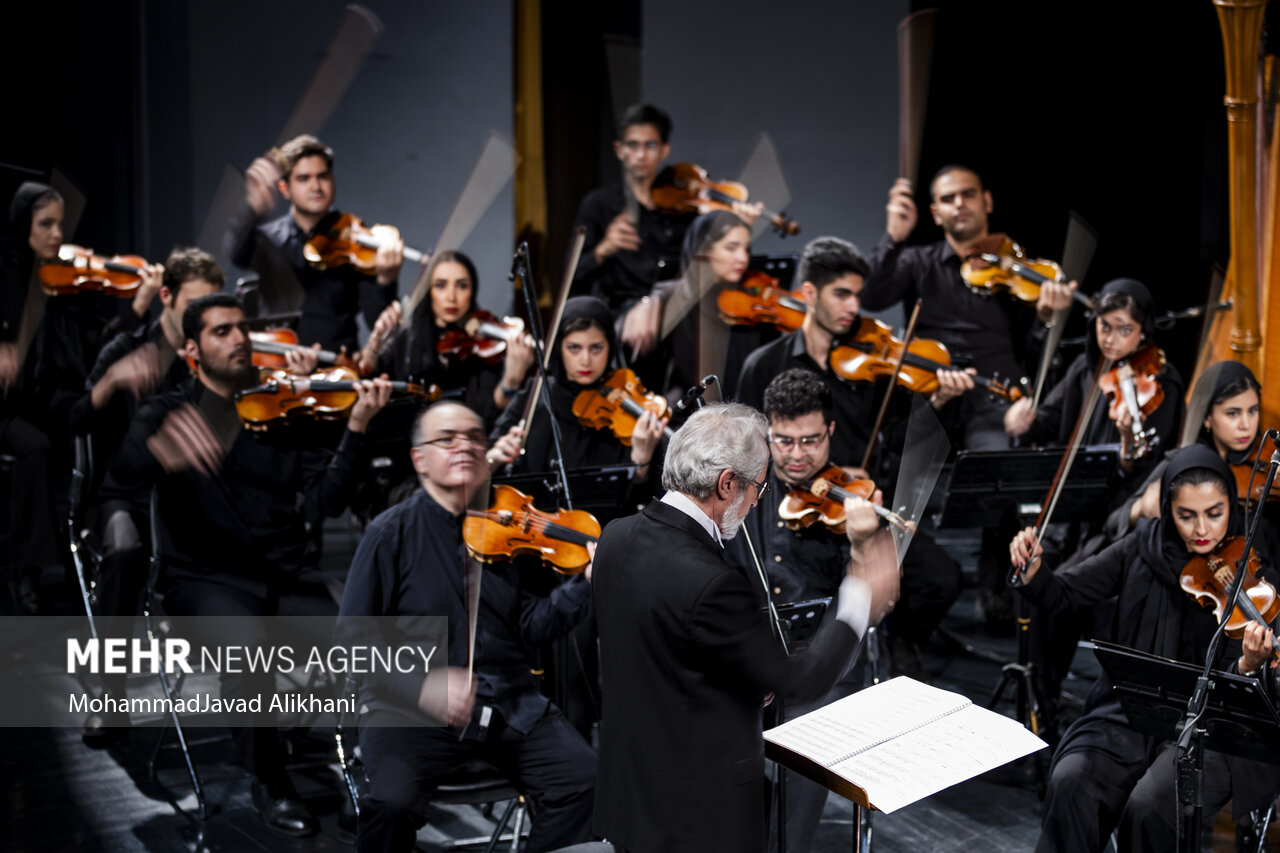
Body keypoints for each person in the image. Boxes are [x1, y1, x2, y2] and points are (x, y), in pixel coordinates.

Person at [108, 293, 390, 836]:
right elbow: (118, 480)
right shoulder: (167, 413)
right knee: (248, 645)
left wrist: (355, 430)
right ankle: (271, 780)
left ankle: (368, 773)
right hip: (203, 580)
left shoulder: (280, 409)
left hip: (283, 575)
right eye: (221, 331)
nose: (239, 338)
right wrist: (157, 452)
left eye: (242, 328)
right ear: (191, 349)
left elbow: (328, 500)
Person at [592, 402, 900, 853]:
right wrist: (859, 596)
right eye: (758, 487)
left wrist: (740, 677)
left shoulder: (615, 537)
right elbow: (801, 681)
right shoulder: (712, 580)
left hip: (629, 796)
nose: (757, 499)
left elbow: (663, 656)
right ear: (726, 483)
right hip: (695, 816)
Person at [339, 400, 597, 853]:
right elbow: (353, 643)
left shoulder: (507, 528)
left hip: (506, 698)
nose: (464, 446)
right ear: (419, 459)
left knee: (585, 781)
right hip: (408, 707)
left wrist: (584, 585)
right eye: (447, 438)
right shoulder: (390, 533)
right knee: (390, 802)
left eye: (475, 437)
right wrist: (422, 686)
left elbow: (533, 625)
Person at [1009, 444, 1280, 852]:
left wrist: (1249, 665)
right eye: (1186, 516)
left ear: (1231, 505)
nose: (1201, 530)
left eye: (1215, 513)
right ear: (1168, 509)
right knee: (1073, 779)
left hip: (1210, 727)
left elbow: (1254, 695)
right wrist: (1033, 573)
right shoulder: (1142, 547)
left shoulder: (1252, 568)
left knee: (1150, 806)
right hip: (1132, 714)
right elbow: (1065, 593)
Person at [863, 165, 1076, 626]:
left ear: (987, 201)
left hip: (993, 397)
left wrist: (1045, 319)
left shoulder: (1015, 271)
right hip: (929, 394)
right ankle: (905, 602)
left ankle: (996, 584)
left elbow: (1038, 356)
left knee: (1004, 464)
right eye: (948, 198)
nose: (959, 203)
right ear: (935, 213)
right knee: (895, 468)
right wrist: (893, 237)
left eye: (968, 194)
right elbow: (873, 292)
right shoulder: (918, 262)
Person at [1002, 277, 1185, 707]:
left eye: (1125, 329)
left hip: (1118, 520)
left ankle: (1054, 694)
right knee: (1028, 573)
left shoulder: (1164, 382)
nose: (1113, 339)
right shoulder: (1086, 369)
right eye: (1105, 327)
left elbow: (1152, 471)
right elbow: (1047, 420)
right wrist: (1022, 419)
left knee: (1061, 584)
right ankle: (1039, 697)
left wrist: (1125, 453)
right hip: (1070, 511)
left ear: (1144, 331)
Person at [572, 104, 760, 378]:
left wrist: (737, 219)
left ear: (664, 150)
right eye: (632, 145)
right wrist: (604, 248)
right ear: (619, 149)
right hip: (623, 310)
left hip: (678, 304)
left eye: (650, 145)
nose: (640, 154)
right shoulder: (599, 205)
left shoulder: (685, 203)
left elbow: (706, 262)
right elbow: (573, 276)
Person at [225, 133, 403, 354]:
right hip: (278, 366)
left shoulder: (354, 244)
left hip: (337, 370)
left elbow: (377, 322)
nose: (316, 186)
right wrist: (254, 207)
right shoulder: (269, 240)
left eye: (323, 176)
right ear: (285, 189)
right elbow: (237, 254)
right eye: (303, 178)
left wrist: (387, 279)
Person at [488, 296, 666, 508]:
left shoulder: (624, 401)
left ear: (610, 346)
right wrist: (495, 457)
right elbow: (488, 457)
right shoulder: (535, 392)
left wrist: (642, 459)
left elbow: (637, 499)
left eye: (596, 348)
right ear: (559, 349)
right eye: (574, 348)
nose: (585, 360)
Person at [357, 249, 535, 427]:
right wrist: (373, 347)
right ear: (429, 291)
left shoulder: (484, 345)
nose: (451, 297)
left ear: (472, 291)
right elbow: (372, 382)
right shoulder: (406, 336)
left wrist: (511, 380)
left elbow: (487, 417)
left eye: (462, 286)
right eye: (441, 285)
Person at [0, 182, 65, 612]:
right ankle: (24, 568)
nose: (58, 234)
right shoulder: (3, 274)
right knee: (35, 444)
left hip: (33, 402)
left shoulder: (53, 282)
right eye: (47, 224)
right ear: (24, 226)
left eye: (61, 224)